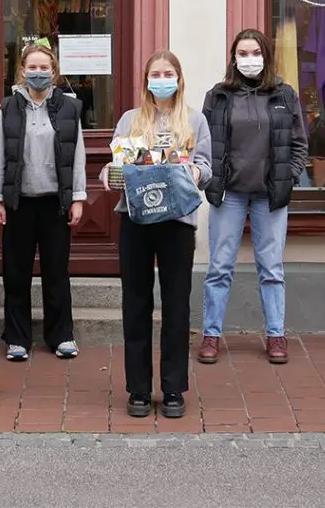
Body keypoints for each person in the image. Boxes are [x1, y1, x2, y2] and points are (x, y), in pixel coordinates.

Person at [103, 50, 212, 419]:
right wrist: (110, 174)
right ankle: (137, 388)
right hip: (136, 220)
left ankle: (173, 388)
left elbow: (207, 167)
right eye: (155, 73)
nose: (161, 78)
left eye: (168, 72)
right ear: (146, 79)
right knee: (136, 304)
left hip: (177, 223)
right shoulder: (130, 121)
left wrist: (194, 174)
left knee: (177, 306)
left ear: (179, 78)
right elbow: (115, 167)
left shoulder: (195, 121)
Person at [199, 29, 308, 366]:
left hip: (269, 194)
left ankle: (276, 335)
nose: (249, 59)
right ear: (233, 58)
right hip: (229, 193)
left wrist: (287, 175)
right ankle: (211, 335)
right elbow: (205, 143)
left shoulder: (284, 95)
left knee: (271, 268)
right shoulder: (217, 96)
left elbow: (299, 145)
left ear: (266, 56)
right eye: (243, 53)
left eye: (255, 52)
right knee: (219, 267)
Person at [0, 44, 87, 362]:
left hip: (54, 203)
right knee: (16, 273)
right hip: (19, 203)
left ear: (54, 72)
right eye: (33, 67)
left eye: (45, 68)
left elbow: (79, 157)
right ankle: (17, 338)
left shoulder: (69, 108)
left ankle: (61, 336)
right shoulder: (10, 108)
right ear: (22, 71)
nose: (39, 73)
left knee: (56, 271)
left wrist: (78, 198)